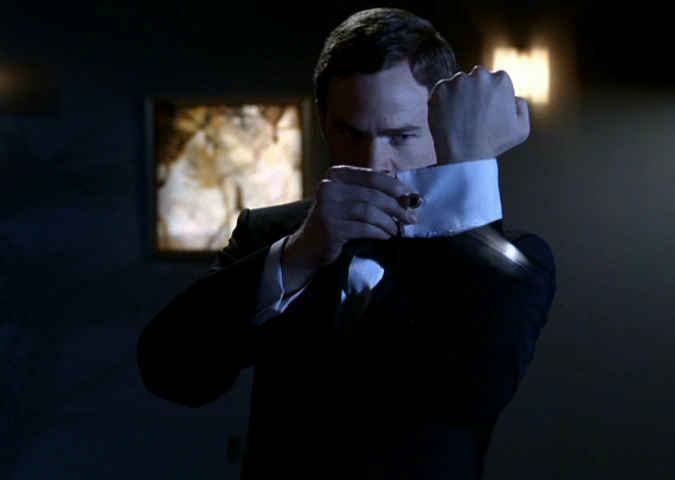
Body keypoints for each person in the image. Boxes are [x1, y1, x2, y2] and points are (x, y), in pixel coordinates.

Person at [136, 7, 556, 479]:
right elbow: (172, 375)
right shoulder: (269, 233)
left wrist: (470, 163)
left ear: (440, 125)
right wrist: (297, 255)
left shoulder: (515, 257)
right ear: (322, 118)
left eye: (401, 136)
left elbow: (470, 397)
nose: (373, 164)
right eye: (349, 133)